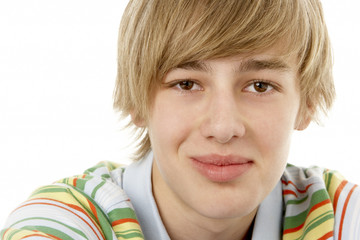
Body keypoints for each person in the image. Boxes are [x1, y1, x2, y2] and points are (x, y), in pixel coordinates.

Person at [1, 0, 359, 239]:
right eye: (186, 83)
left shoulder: (343, 217)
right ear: (137, 101)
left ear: (307, 102)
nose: (222, 128)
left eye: (260, 85)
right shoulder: (61, 223)